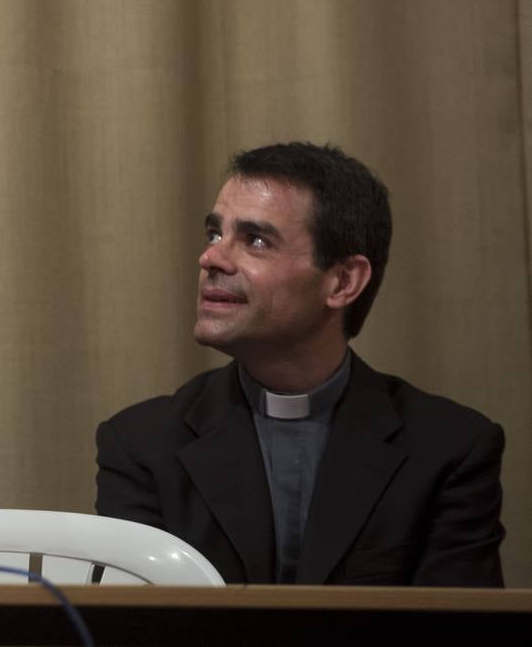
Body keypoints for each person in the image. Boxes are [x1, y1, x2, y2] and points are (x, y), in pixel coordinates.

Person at [95, 142, 504, 586]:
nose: (210, 257)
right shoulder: (141, 445)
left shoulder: (450, 449)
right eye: (215, 233)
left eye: (254, 240)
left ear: (343, 281)